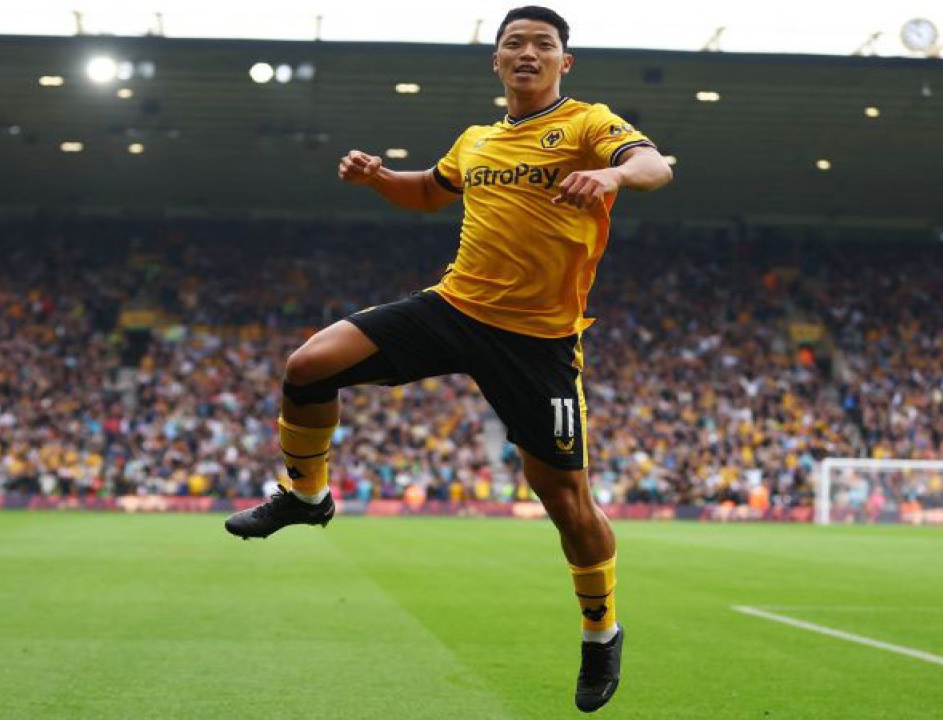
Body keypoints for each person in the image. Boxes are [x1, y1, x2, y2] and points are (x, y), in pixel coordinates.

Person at [225, 5, 672, 712]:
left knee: (565, 501)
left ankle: (600, 631)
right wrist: (378, 176)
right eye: (514, 43)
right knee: (308, 365)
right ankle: (307, 496)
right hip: (454, 307)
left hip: (539, 342)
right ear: (495, 60)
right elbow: (428, 193)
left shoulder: (588, 123)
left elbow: (654, 164)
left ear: (565, 62)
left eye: (543, 44)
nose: (528, 52)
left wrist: (614, 178)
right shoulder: (477, 140)